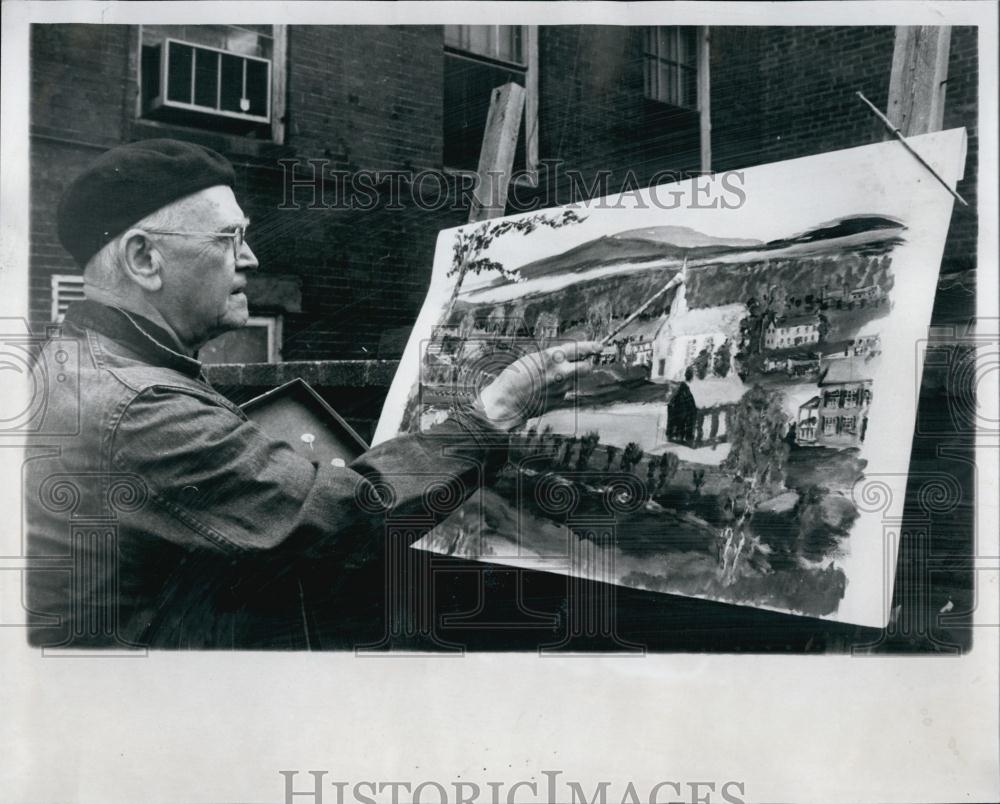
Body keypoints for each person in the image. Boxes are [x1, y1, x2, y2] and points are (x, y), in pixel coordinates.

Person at [25, 139, 597, 650]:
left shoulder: (80, 360)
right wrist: (487, 417)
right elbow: (343, 518)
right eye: (231, 238)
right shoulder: (138, 406)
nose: (252, 258)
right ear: (145, 258)